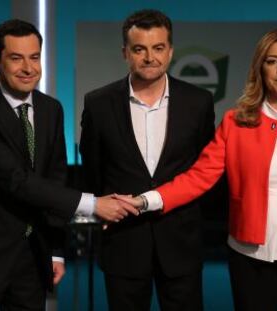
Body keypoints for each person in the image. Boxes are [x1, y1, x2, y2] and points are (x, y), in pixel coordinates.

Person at [117, 29, 277, 310]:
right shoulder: (236, 121)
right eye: (271, 61)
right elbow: (199, 177)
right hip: (250, 254)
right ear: (260, 68)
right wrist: (146, 200)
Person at [0, 19, 136, 311]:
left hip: (32, 258)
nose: (28, 68)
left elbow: (55, 179)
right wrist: (93, 205)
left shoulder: (51, 109)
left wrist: (56, 250)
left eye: (34, 57)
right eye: (16, 58)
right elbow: (16, 180)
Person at [79, 9, 215, 311]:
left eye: (158, 48)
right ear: (125, 53)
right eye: (139, 49)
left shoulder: (199, 102)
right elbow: (92, 172)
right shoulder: (98, 103)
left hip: (182, 242)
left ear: (170, 51)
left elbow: (205, 170)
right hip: (123, 242)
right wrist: (99, 210)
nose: (149, 57)